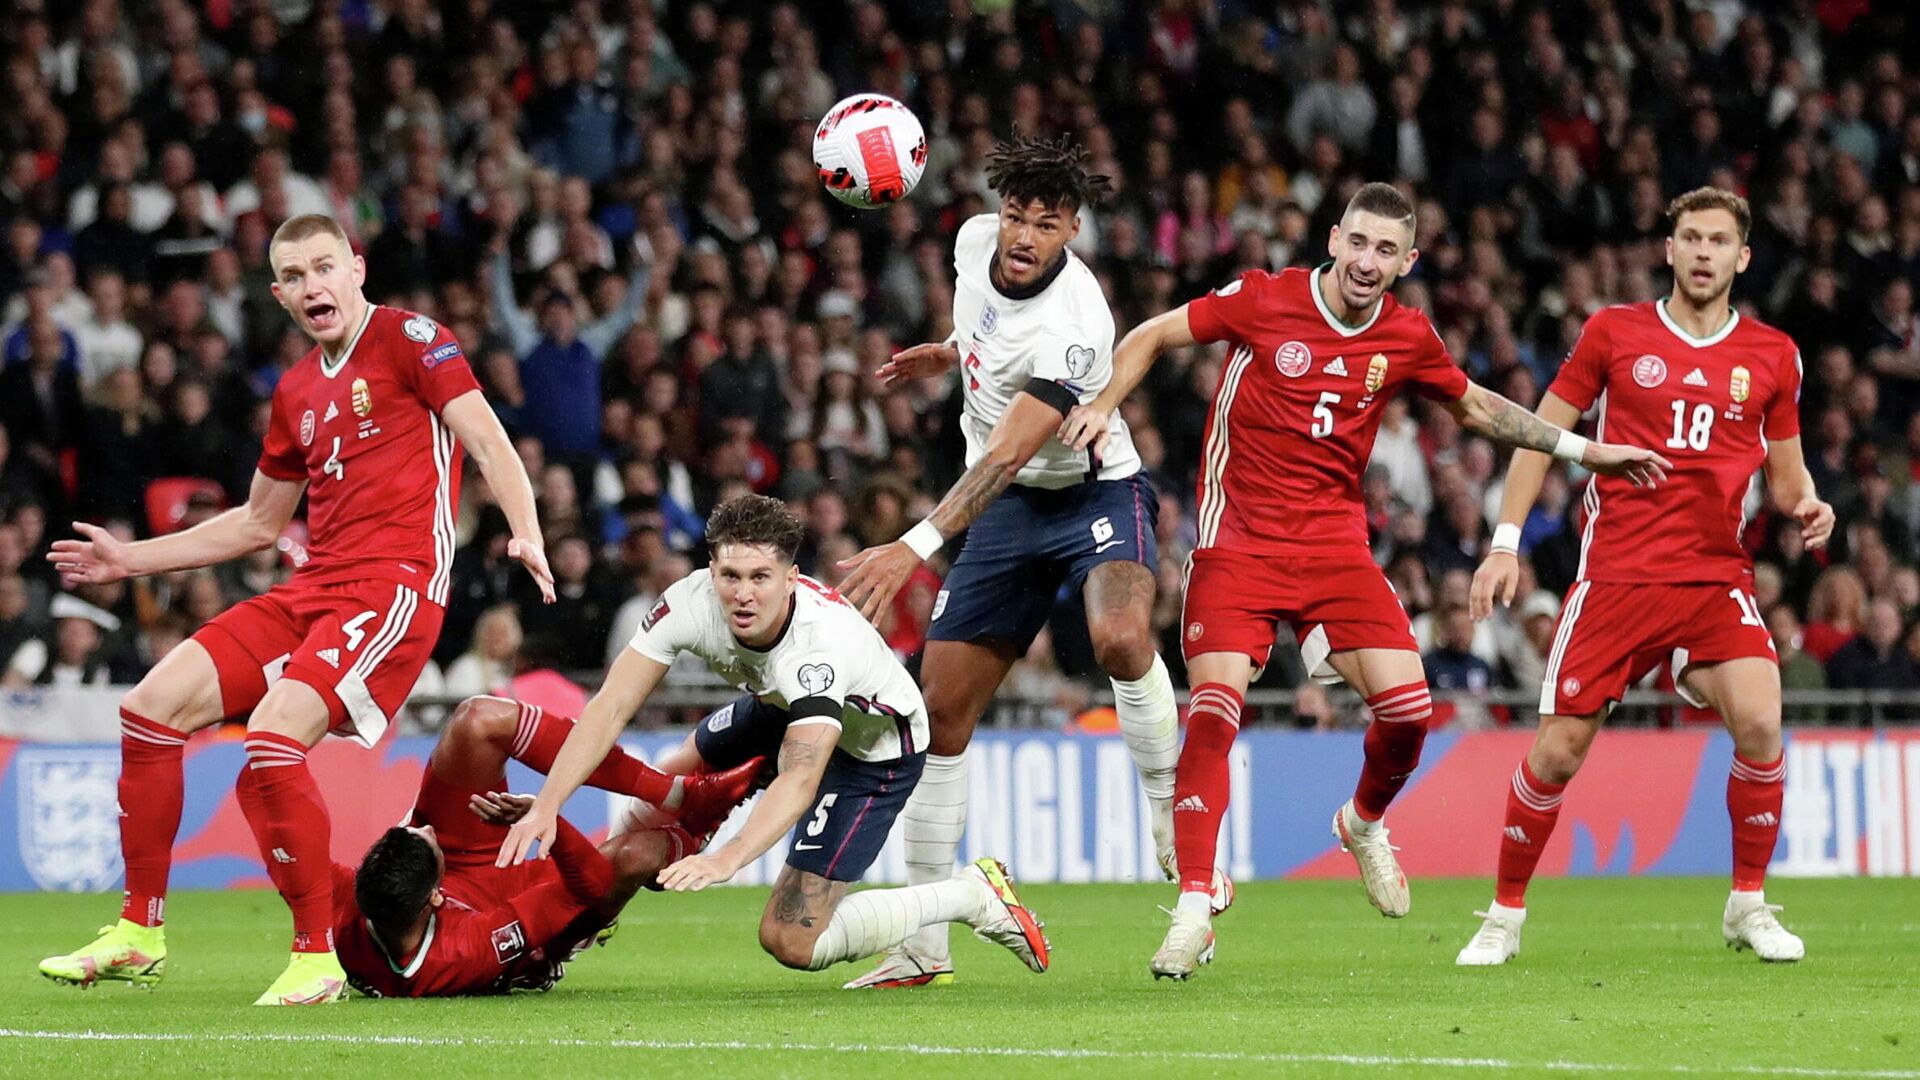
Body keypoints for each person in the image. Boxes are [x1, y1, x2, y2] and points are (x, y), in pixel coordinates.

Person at [1060, 182, 1669, 979]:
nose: (1367, 261)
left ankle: (1362, 821)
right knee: (1213, 715)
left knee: (1411, 712)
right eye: (1358, 243)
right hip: (1236, 543)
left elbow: (1480, 409)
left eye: (1387, 251)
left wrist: (1588, 452)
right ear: (1333, 238)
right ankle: (1193, 909)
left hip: (1334, 551)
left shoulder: (1407, 337)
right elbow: (1151, 334)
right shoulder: (1263, 299)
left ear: (1407, 262)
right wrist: (1106, 403)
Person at [38, 214, 555, 1006]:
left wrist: (525, 531)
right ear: (279, 295)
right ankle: (139, 933)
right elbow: (256, 523)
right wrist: (126, 557)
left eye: (325, 267)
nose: (314, 285)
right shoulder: (295, 390)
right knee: (149, 708)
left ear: (356, 267)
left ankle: (317, 957)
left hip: (394, 587)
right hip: (315, 586)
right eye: (295, 276)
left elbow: (485, 439)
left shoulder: (413, 338)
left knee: (274, 738)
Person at [836, 134, 1185, 989]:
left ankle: (1171, 805)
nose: (1024, 237)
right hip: (1007, 514)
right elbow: (987, 332)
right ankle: (923, 946)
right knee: (936, 713)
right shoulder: (967, 245)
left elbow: (1003, 454)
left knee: (1116, 637)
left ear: (1073, 231)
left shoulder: (1079, 321)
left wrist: (913, 546)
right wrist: (951, 353)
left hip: (1091, 492)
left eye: (1047, 223)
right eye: (1015, 217)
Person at [1457, 187, 1834, 966]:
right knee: (1556, 754)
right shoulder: (1614, 332)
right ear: (1668, 250)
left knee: (1762, 720)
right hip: (1618, 579)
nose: (1702, 252)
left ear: (1743, 257)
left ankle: (1749, 906)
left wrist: (1808, 506)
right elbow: (1538, 435)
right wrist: (1503, 542)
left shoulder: (1772, 355)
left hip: (1713, 580)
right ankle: (1503, 915)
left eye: (1718, 240)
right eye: (1690, 238)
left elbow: (1789, 477)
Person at [499, 495, 1051, 981]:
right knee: (667, 777)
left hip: (874, 749)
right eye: (730, 575)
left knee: (789, 941)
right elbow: (609, 709)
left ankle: (972, 895)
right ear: (709, 570)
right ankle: (591, 915)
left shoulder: (815, 649)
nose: (742, 594)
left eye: (760, 577)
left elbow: (800, 777)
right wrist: (547, 805)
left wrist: (729, 858)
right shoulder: (688, 601)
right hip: (777, 706)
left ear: (790, 578)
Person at [334, 694, 760, 998]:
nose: (424, 827)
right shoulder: (470, 950)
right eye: (421, 834)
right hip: (517, 911)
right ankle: (702, 821)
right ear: (435, 896)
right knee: (635, 857)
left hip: (461, 860)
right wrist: (545, 817)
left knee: (477, 720)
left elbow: (299, 862)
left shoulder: (354, 906)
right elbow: (588, 885)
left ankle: (676, 793)